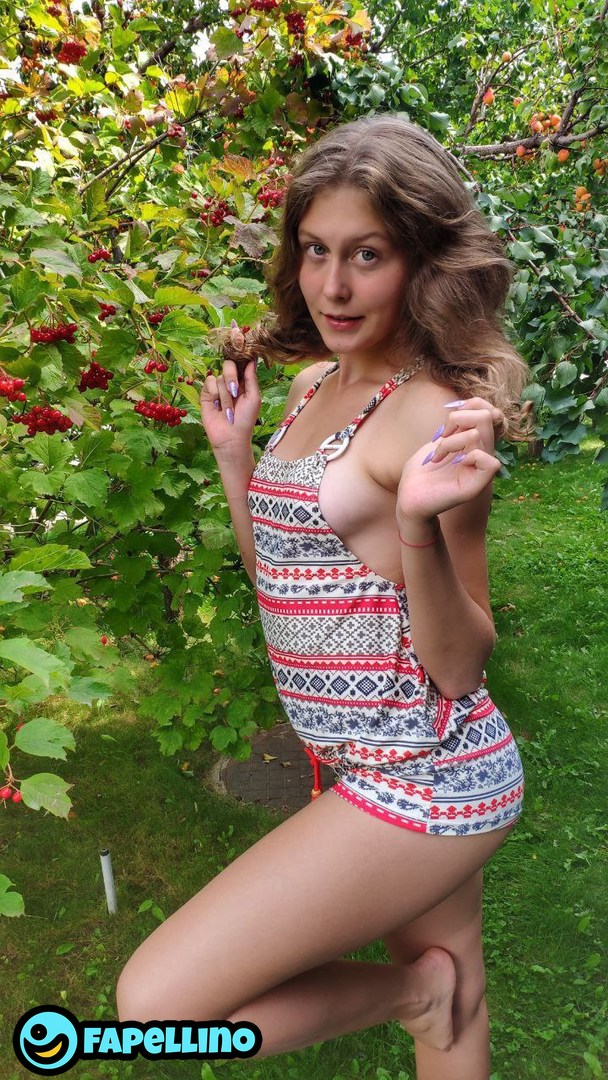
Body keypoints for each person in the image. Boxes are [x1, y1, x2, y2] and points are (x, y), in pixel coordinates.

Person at [117, 114, 529, 1080]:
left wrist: (420, 527)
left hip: (425, 770)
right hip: (367, 754)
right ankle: (434, 1001)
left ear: (421, 261)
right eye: (315, 250)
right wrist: (235, 460)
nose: (332, 286)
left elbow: (462, 663)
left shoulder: (430, 417)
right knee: (461, 1001)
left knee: (153, 1007)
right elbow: (285, 579)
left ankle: (409, 995)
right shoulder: (312, 387)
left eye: (367, 255)